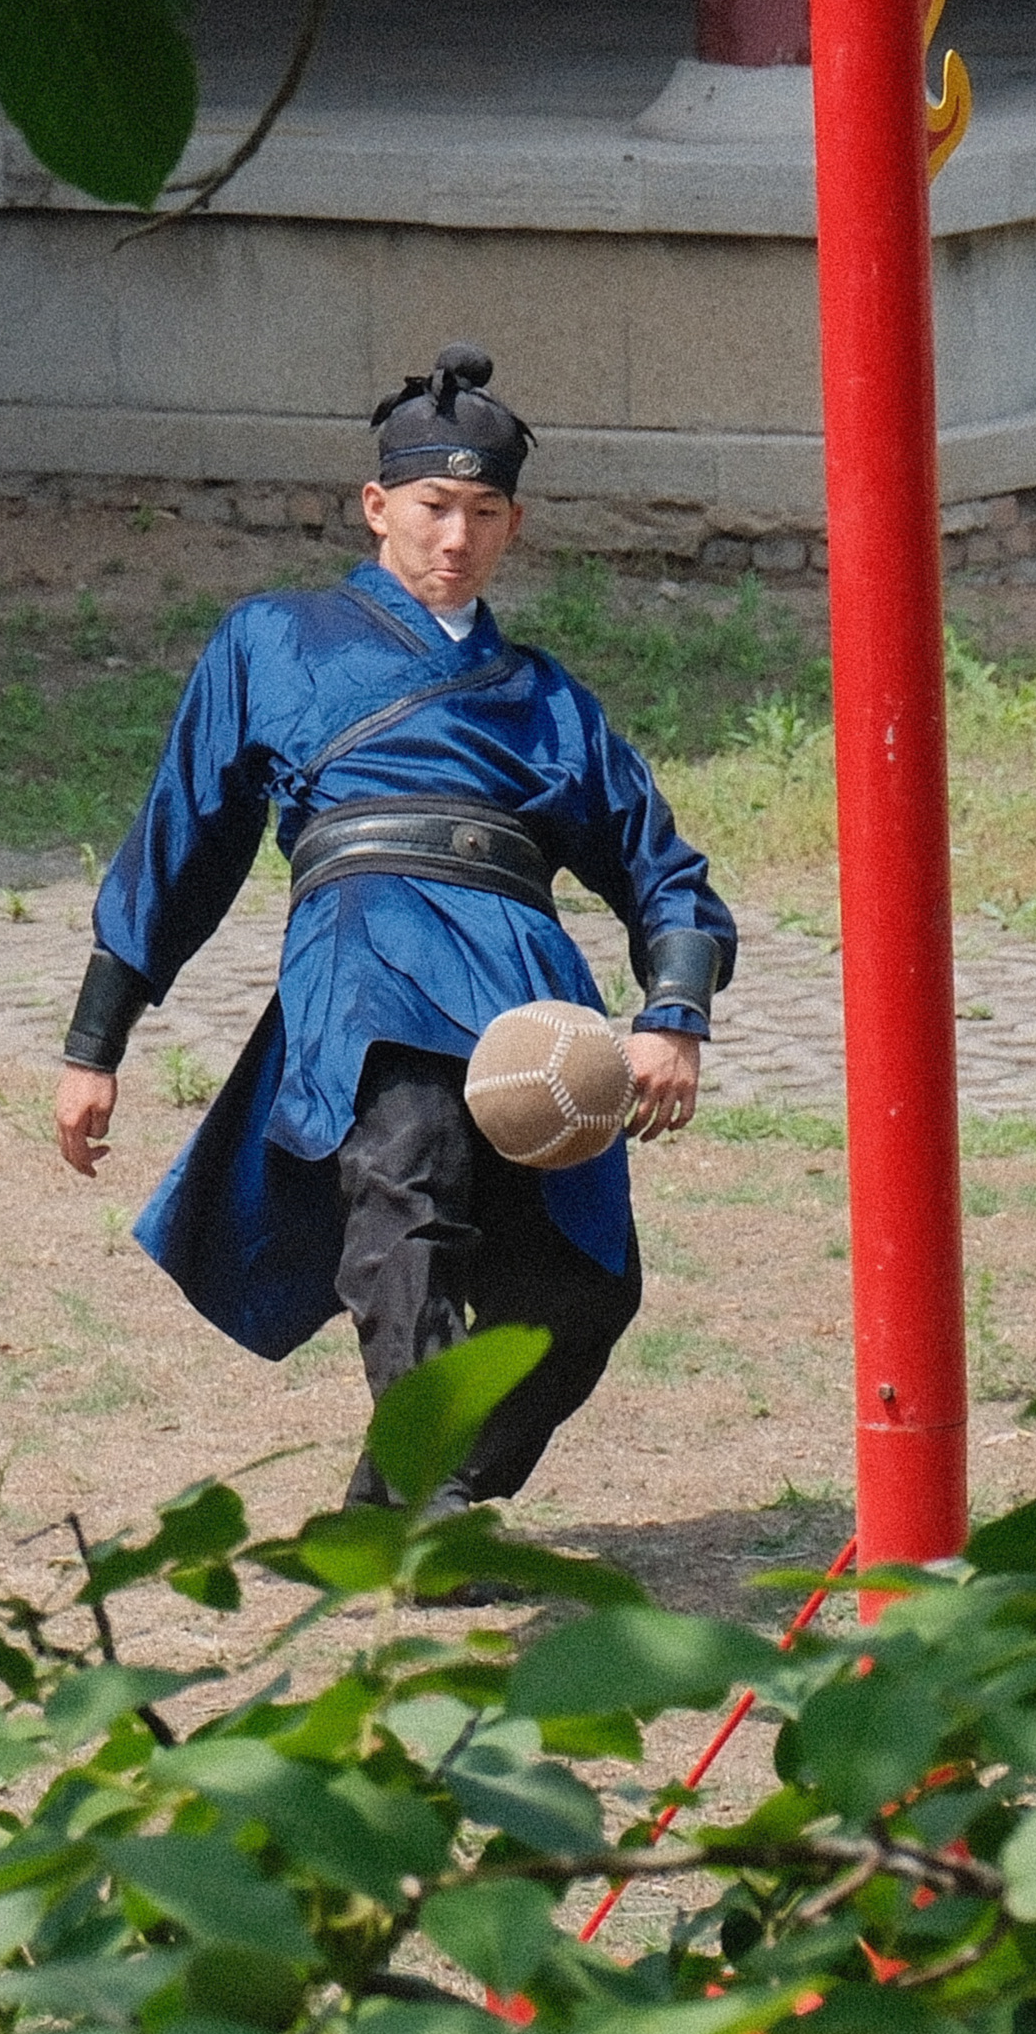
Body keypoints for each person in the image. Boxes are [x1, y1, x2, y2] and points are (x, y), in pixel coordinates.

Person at [56, 345, 733, 1526]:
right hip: (366, 953)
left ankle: (393, 1499)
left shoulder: (548, 699)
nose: (453, 538)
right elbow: (184, 839)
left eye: (481, 513)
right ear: (377, 506)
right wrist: (94, 1040)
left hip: (527, 995)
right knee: (404, 1181)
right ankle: (429, 1508)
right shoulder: (274, 640)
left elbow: (663, 873)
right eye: (432, 507)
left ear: (512, 524)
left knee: (583, 1287)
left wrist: (673, 1015)